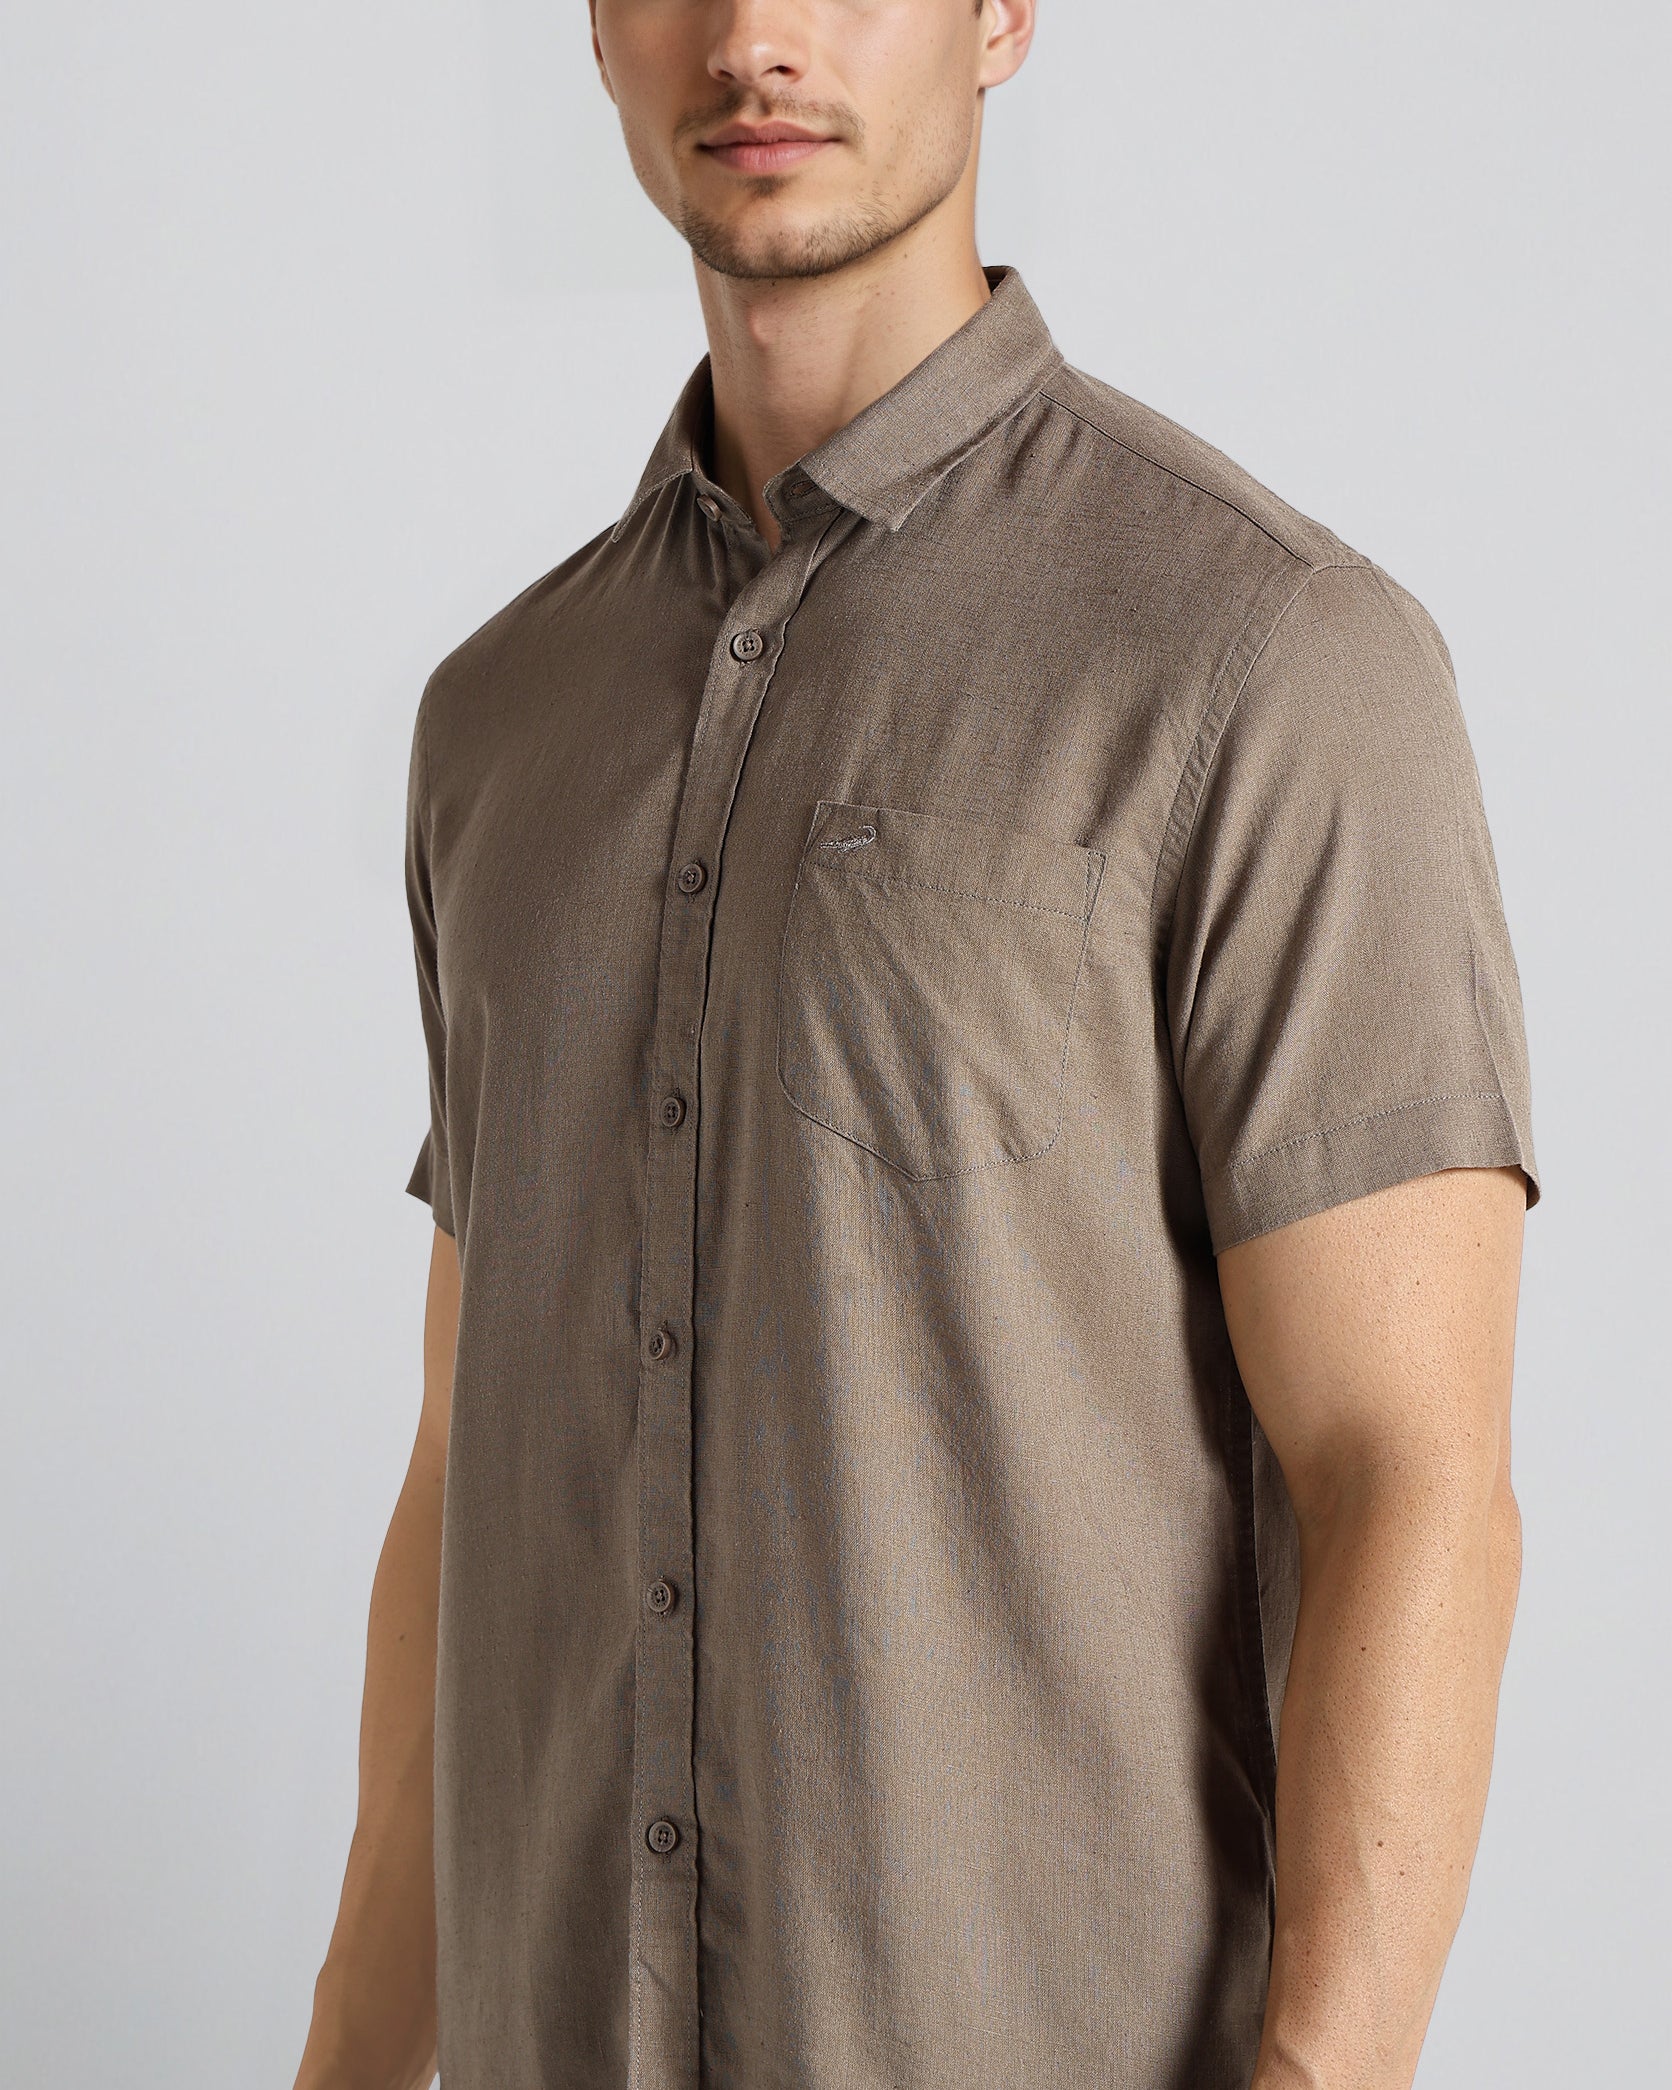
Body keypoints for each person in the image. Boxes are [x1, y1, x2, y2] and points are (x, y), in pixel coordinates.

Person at [294, 4, 1541, 2087]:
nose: (758, 36)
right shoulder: (494, 727)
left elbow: (1404, 1477)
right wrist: (345, 2053)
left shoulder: (1265, 659)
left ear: (997, 15)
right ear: (596, 32)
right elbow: (465, 1459)